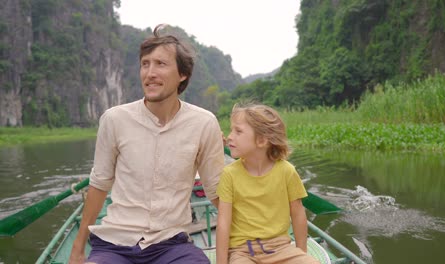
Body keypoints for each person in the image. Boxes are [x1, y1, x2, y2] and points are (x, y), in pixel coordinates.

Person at [69, 24, 225, 264]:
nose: (149, 73)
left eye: (160, 64)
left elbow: (216, 192)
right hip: (115, 244)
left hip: (171, 244)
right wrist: (78, 248)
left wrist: (253, 230)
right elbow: (99, 185)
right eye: (145, 64)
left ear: (182, 74)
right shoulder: (114, 119)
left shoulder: (204, 124)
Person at [216, 103, 320, 264]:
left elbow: (298, 215)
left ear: (262, 140)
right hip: (243, 251)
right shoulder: (229, 174)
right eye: (231, 130)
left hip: (280, 248)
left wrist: (301, 253)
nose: (229, 136)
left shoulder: (287, 171)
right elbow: (223, 223)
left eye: (238, 131)